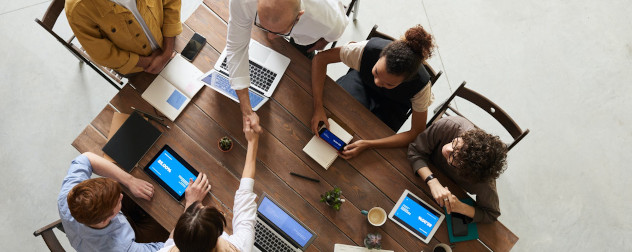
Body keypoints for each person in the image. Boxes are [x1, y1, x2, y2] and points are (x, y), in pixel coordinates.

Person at [311, 25, 435, 159]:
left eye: (389, 83)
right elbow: (320, 59)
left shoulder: (421, 87)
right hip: (361, 83)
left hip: (395, 105)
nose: (378, 82)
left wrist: (368, 144)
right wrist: (318, 107)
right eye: (376, 72)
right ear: (381, 56)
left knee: (370, 138)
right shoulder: (365, 50)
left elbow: (416, 132)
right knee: (336, 113)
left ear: (406, 80)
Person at [226, 0, 349, 135]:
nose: (270, 37)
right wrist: (247, 110)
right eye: (263, 25)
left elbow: (337, 29)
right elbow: (236, 48)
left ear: (299, 16)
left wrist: (324, 41)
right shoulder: (242, 2)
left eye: (278, 32)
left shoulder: (326, 18)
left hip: (308, 34)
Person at [156, 119, 260, 252]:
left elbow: (169, 244)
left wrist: (190, 204)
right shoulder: (241, 247)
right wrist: (253, 142)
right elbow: (244, 203)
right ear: (217, 235)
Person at [58, 152, 168, 252]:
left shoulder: (70, 195)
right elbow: (168, 249)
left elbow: (86, 158)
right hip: (130, 239)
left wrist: (130, 181)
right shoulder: (120, 248)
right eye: (118, 201)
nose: (121, 196)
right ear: (105, 219)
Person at [407, 116, 508, 223]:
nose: (447, 149)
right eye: (455, 144)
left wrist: (460, 207)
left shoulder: (483, 182)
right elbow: (415, 151)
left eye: (454, 157)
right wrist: (432, 181)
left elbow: (491, 214)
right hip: (417, 174)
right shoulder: (450, 125)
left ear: (467, 172)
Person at [65, 0, 182, 75]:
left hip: (170, 41)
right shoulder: (77, 8)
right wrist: (148, 62)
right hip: (139, 69)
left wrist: (166, 52)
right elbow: (103, 54)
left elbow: (172, 3)